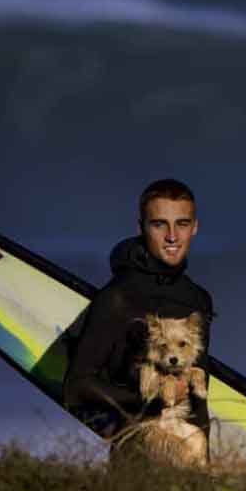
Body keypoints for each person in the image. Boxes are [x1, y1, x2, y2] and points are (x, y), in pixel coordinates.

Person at [63, 178, 214, 460]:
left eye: (181, 224)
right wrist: (151, 398)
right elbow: (76, 388)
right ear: (141, 228)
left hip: (189, 451)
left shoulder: (198, 300)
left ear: (195, 227)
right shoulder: (118, 298)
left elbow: (200, 403)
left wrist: (206, 470)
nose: (172, 236)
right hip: (137, 450)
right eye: (159, 224)